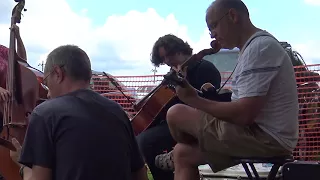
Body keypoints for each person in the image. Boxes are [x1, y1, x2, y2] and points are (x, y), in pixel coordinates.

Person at [163, 0, 299, 180]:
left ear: (233, 16)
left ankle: (177, 153)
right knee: (183, 153)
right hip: (259, 135)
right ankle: (176, 154)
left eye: (213, 26)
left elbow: (244, 115)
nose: (212, 34)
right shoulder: (252, 48)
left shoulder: (259, 48)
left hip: (266, 138)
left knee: (176, 113)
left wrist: (194, 100)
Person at [9, 45, 148, 180]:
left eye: (46, 83)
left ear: (58, 73)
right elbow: (140, 173)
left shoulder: (45, 114)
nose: (48, 93)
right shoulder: (117, 111)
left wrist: (23, 166)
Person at [136, 34, 222, 180]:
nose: (167, 61)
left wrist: (183, 83)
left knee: (146, 141)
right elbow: (165, 106)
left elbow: (209, 102)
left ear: (180, 50)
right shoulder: (176, 74)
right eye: (163, 59)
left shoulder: (205, 68)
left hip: (196, 122)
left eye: (169, 56)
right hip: (173, 121)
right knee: (140, 138)